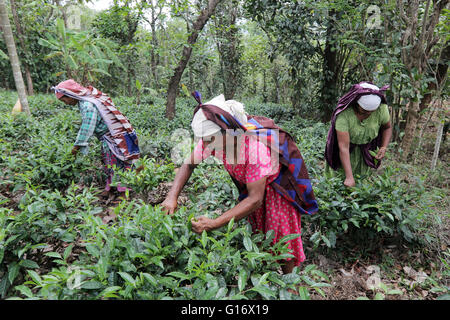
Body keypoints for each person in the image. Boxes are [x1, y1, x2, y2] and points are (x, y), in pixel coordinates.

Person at [161, 93, 318, 274]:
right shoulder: (212, 139)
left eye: (212, 140)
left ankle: (290, 281)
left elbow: (255, 199)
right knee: (260, 235)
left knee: (282, 237)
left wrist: (214, 223)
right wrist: (171, 196)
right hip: (253, 187)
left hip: (276, 190)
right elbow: (188, 164)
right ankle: (266, 274)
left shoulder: (254, 149)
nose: (207, 145)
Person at [52, 79, 140, 198]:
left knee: (117, 164)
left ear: (71, 95)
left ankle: (123, 192)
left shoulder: (87, 105)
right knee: (109, 162)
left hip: (113, 138)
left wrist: (76, 147)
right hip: (108, 137)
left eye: (64, 99)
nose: (65, 103)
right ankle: (110, 186)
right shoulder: (85, 102)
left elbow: (87, 127)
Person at [325, 82, 393, 187]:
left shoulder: (381, 109)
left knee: (361, 186)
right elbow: (343, 147)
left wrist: (383, 147)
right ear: (356, 104)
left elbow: (387, 127)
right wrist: (349, 176)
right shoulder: (344, 115)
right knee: (338, 184)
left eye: (372, 111)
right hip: (343, 153)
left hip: (364, 152)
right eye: (364, 111)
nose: (369, 114)